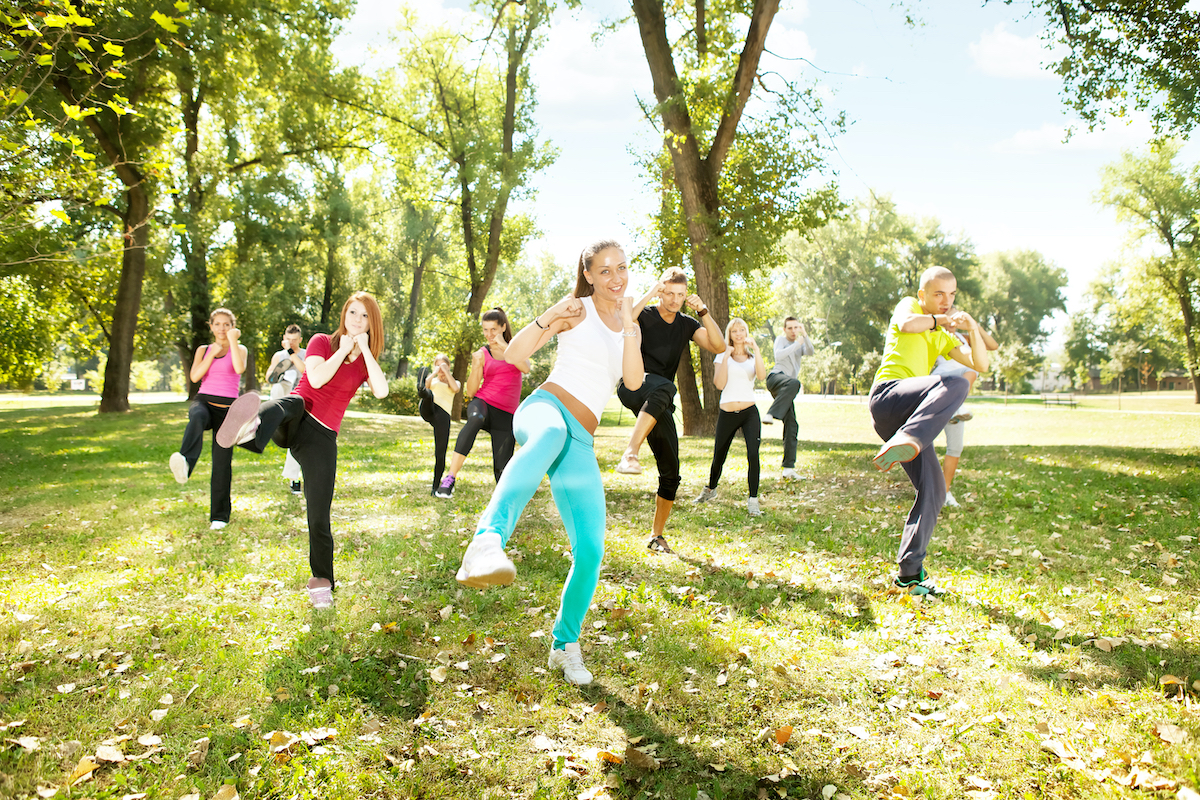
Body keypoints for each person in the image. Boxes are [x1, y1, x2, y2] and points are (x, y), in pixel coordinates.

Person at [453, 239, 644, 686]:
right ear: (590, 275)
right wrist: (550, 315)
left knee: (592, 551)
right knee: (551, 433)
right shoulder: (576, 309)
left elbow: (633, 381)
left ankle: (564, 644)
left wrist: (632, 328)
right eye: (605, 270)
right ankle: (486, 540)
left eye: (622, 268)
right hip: (546, 409)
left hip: (582, 440)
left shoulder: (630, 322)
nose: (616, 278)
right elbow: (516, 356)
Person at [214, 292, 389, 609]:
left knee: (319, 516)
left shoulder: (365, 359)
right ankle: (250, 426)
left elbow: (381, 390)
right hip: (295, 417)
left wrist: (362, 348)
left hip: (322, 439)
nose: (357, 320)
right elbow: (318, 378)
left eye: (364, 316)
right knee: (290, 400)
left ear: (371, 322)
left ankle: (322, 582)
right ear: (344, 314)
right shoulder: (322, 341)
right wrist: (344, 350)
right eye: (352, 312)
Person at [868, 267, 989, 596]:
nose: (946, 301)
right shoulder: (909, 306)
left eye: (951, 296)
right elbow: (909, 325)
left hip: (908, 419)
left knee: (934, 490)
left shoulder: (943, 335)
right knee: (953, 383)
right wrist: (940, 320)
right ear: (923, 295)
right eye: (939, 294)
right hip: (889, 396)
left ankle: (909, 573)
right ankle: (913, 438)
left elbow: (980, 364)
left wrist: (972, 328)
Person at [612, 267, 723, 553]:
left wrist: (704, 311)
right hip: (633, 384)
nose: (675, 299)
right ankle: (630, 452)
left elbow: (719, 345)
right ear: (662, 291)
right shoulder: (646, 314)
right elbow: (624, 321)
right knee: (665, 387)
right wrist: (650, 291)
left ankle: (656, 536)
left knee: (671, 470)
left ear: (686, 296)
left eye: (681, 295)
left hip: (659, 398)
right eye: (670, 293)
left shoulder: (686, 324)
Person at [434, 308, 529, 498]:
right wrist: (477, 366)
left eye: (493, 329)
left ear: (503, 327)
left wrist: (505, 348)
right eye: (485, 330)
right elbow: (470, 392)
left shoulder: (515, 348)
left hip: (506, 413)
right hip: (483, 403)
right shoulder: (481, 354)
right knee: (475, 419)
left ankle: (505, 496)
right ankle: (450, 478)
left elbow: (525, 368)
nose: (489, 335)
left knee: (501, 471)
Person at [168, 307, 247, 531]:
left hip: (228, 409)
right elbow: (195, 376)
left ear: (233, 327)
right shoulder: (203, 349)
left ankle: (219, 517)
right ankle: (185, 463)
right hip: (204, 401)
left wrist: (231, 342)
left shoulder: (240, 348)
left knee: (222, 463)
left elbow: (239, 368)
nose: (222, 328)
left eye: (227, 324)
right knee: (196, 417)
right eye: (218, 324)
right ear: (211, 326)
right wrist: (211, 353)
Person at [694, 318, 767, 516]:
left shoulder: (752, 358)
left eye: (742, 330)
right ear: (730, 334)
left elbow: (761, 376)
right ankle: (710, 489)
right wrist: (726, 357)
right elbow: (719, 384)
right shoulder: (721, 356)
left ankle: (753, 500)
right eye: (735, 331)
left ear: (746, 332)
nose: (739, 334)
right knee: (719, 455)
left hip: (749, 412)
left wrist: (758, 351)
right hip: (727, 413)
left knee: (753, 454)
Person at [931, 320, 999, 508]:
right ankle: (925, 488)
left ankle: (944, 492)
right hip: (938, 390)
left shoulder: (964, 338)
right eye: (947, 320)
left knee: (955, 448)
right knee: (922, 445)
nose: (951, 324)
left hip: (957, 401)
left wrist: (974, 325)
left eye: (954, 320)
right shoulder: (935, 337)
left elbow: (992, 345)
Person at [764, 316, 814, 480]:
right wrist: (797, 344)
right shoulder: (781, 340)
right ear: (785, 330)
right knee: (795, 383)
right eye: (790, 328)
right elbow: (778, 356)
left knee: (792, 424)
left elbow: (811, 352)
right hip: (776, 379)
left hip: (787, 388)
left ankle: (788, 469)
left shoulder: (800, 342)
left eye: (796, 328)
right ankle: (771, 413)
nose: (793, 331)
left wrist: (805, 336)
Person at [265, 324, 307, 495]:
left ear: (300, 340)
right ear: (284, 338)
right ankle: (272, 414)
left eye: (294, 340)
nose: (291, 343)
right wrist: (275, 374)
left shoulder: (305, 354)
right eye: (288, 340)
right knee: (278, 386)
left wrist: (292, 354)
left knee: (295, 439)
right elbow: (268, 378)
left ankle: (294, 479)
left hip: (300, 398)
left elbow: (305, 371)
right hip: (282, 393)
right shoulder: (278, 355)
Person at [416, 354, 460, 496]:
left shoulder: (454, 382)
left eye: (444, 365)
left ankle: (435, 487)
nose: (440, 369)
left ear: (448, 366)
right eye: (438, 365)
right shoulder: (433, 380)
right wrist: (434, 372)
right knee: (427, 393)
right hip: (429, 408)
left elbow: (456, 389)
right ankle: (421, 389)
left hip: (443, 416)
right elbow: (428, 383)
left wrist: (445, 371)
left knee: (440, 453)